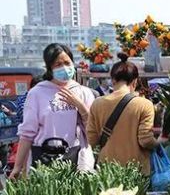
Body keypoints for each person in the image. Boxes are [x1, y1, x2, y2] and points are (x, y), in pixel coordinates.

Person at [10, 43, 95, 179]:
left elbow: (93, 131)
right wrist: (18, 167)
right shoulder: (37, 93)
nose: (64, 68)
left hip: (75, 159)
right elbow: (27, 134)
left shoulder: (83, 93)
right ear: (49, 68)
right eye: (58, 64)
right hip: (43, 159)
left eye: (67, 62)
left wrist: (80, 106)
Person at [87, 53, 161, 175]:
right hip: (136, 171)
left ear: (113, 80)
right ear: (135, 81)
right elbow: (145, 141)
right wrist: (159, 142)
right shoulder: (145, 104)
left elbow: (91, 140)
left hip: (107, 171)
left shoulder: (97, 104)